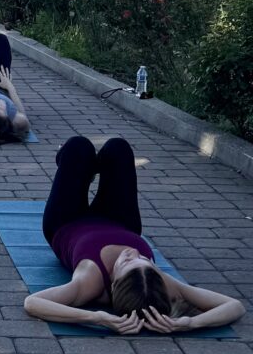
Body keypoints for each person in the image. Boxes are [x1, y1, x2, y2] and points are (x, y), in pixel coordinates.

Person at [24, 136, 244, 334]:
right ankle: (91, 168)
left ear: (114, 284)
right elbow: (234, 306)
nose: (133, 253)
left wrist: (96, 317)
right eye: (145, 260)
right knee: (118, 148)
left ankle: (80, 168)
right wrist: (189, 323)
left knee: (78, 147)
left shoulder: (90, 280)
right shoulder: (155, 280)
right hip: (118, 221)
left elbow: (33, 303)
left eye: (127, 262)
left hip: (67, 222)